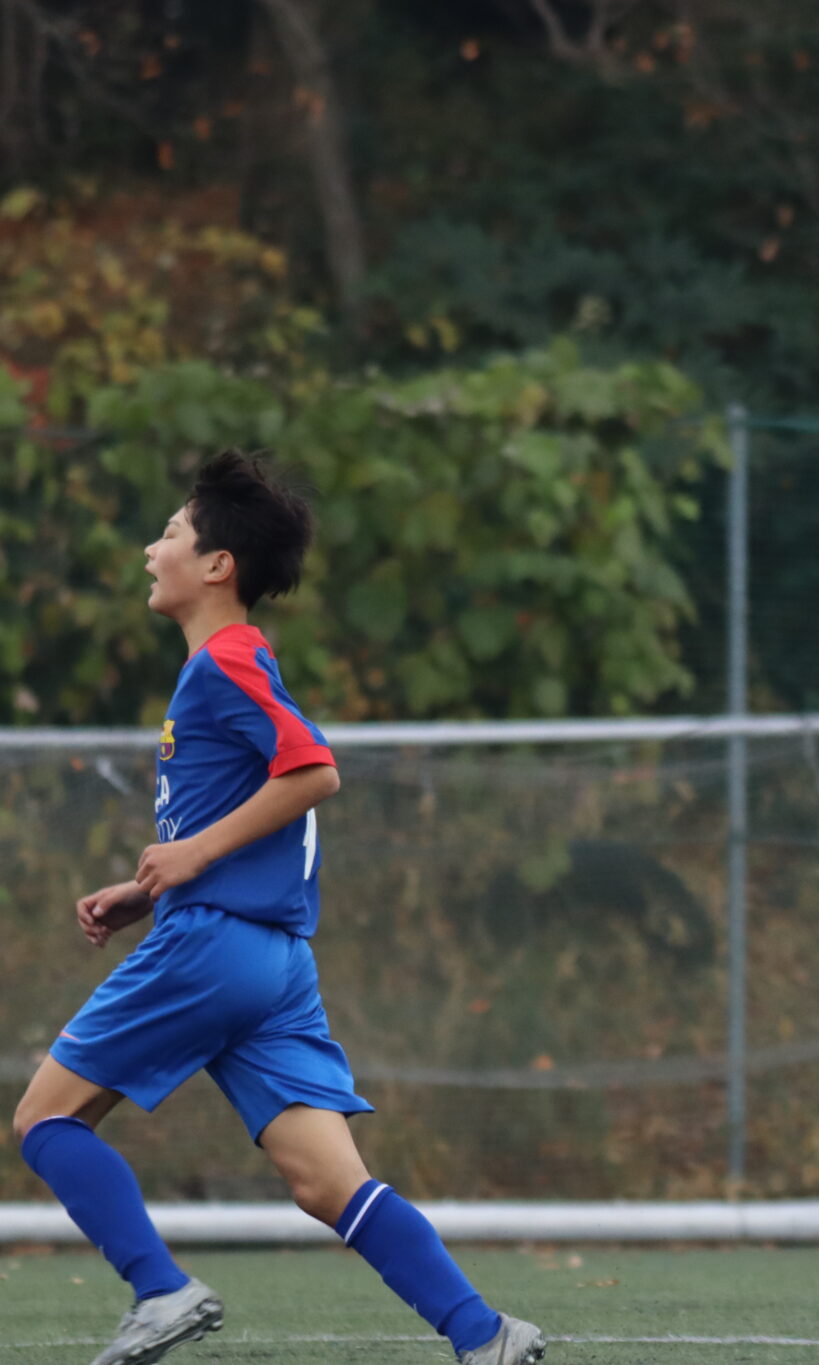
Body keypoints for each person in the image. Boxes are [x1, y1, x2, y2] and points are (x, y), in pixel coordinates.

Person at [9, 452, 545, 1365]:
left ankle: (160, 1287)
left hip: (213, 948)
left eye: (170, 534)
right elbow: (257, 800)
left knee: (43, 1120)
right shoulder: (227, 665)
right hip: (273, 963)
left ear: (218, 565)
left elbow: (312, 769)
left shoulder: (224, 660)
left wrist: (192, 858)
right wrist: (151, 886)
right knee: (328, 1181)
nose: (151, 550)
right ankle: (484, 1334)